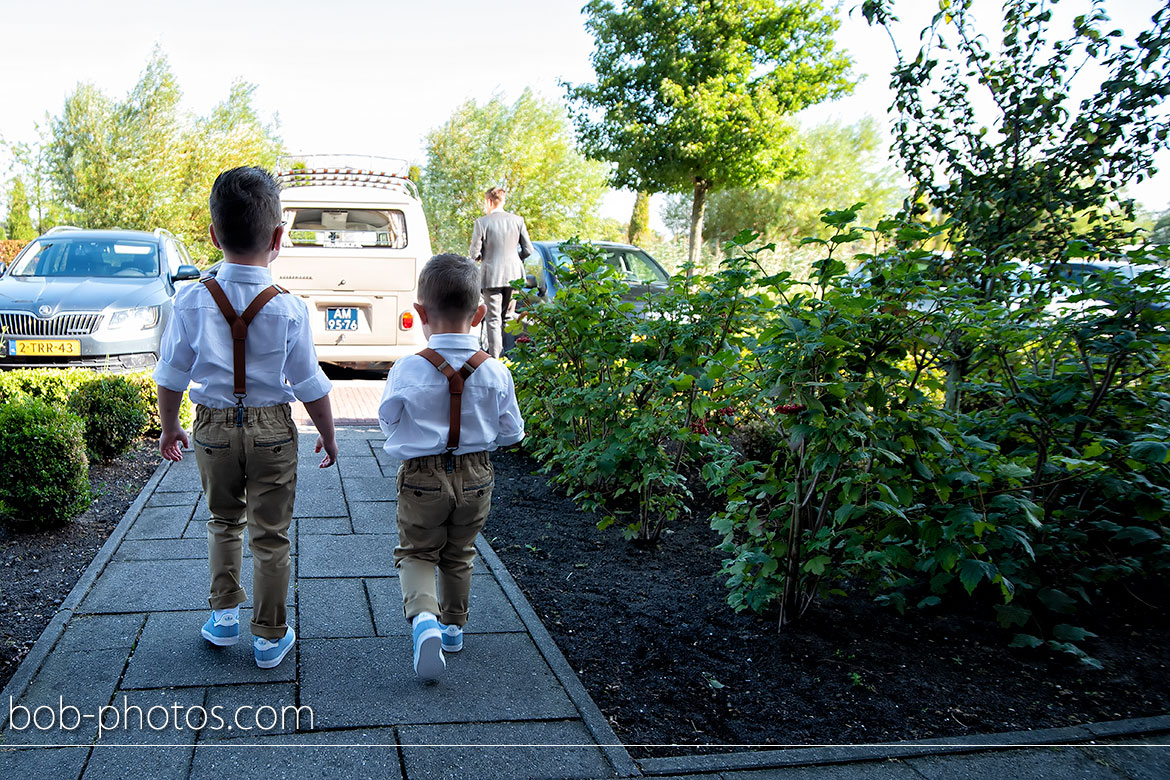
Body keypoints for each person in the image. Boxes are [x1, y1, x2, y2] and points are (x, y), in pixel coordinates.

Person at [154, 166, 339, 670]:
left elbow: (171, 375)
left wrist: (172, 426)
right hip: (273, 431)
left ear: (213, 235)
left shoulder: (190, 299)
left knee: (222, 520)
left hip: (211, 426)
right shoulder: (289, 308)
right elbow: (309, 382)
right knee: (271, 533)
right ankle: (269, 634)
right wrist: (327, 432)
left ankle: (223, 616)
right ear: (279, 237)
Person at [378, 253, 525, 680]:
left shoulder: (407, 368)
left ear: (419, 312)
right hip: (477, 474)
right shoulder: (496, 372)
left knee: (417, 551)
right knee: (460, 552)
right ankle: (453, 627)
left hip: (422, 475)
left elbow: (387, 419)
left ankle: (424, 618)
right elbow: (512, 433)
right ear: (480, 313)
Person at [468, 186, 534, 357]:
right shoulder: (518, 221)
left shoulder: (481, 223)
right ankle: (512, 356)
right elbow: (528, 249)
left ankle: (495, 359)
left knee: (493, 320)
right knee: (508, 316)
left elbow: (474, 253)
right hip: (514, 277)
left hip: (491, 276)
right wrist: (515, 258)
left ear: (489, 201)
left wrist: (482, 257)